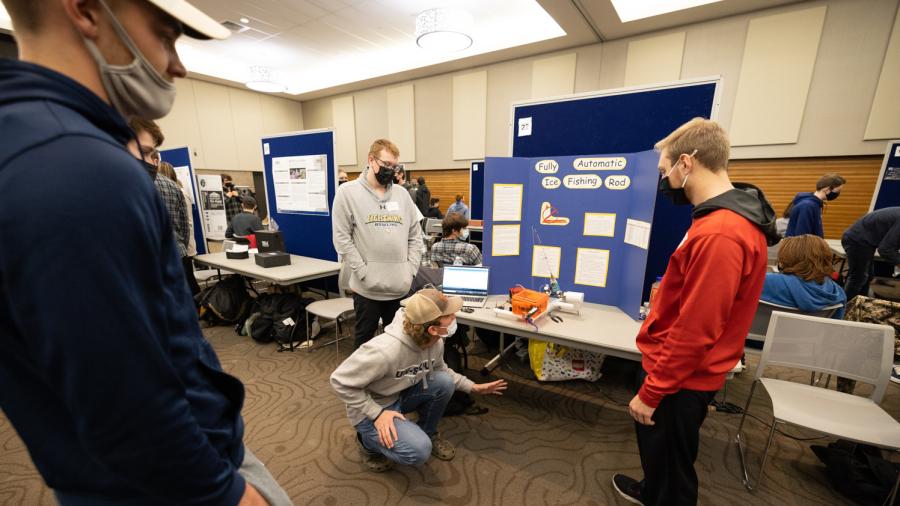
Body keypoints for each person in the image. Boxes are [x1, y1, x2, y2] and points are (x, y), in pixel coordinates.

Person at [0, 0, 288, 504]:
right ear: (86, 11)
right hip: (167, 487)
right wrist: (226, 494)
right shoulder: (76, 169)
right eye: (164, 35)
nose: (177, 65)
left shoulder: (31, 142)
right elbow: (126, 405)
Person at [612, 118, 779, 506]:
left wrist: (651, 391)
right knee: (664, 459)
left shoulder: (721, 232)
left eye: (664, 170)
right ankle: (653, 490)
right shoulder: (722, 219)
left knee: (673, 469)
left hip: (680, 379)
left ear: (685, 164)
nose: (664, 180)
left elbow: (696, 328)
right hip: (683, 371)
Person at [330, 288, 507, 472]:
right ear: (432, 328)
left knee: (444, 382)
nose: (455, 316)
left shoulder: (435, 340)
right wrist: (377, 413)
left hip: (398, 394)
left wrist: (473, 387)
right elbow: (339, 381)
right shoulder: (384, 351)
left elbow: (441, 370)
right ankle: (366, 442)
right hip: (373, 408)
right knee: (419, 452)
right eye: (449, 315)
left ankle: (428, 432)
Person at [332, 138, 423, 348]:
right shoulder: (347, 192)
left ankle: (395, 382)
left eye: (394, 166)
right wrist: (363, 272)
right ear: (371, 160)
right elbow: (342, 238)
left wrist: (410, 270)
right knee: (364, 343)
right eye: (386, 165)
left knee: (399, 344)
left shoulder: (402, 194)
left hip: (399, 287)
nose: (391, 170)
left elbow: (415, 236)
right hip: (367, 290)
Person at [128, 118, 190, 262]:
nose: (150, 163)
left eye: (151, 155)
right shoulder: (174, 186)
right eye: (144, 152)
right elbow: (185, 226)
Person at [761, 235, 846, 318]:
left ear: (786, 258)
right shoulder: (838, 294)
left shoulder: (763, 282)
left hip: (760, 331)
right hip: (812, 332)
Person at [159, 161, 201, 295]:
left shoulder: (178, 191)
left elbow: (186, 223)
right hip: (181, 245)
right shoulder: (176, 189)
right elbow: (185, 224)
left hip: (178, 246)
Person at [842, 207, 900, 300]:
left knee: (868, 276)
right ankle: (843, 309)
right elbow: (885, 249)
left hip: (864, 242)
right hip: (857, 241)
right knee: (859, 277)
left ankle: (861, 305)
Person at [785, 173, 846, 238]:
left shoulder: (816, 204)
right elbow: (802, 237)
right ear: (827, 190)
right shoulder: (807, 206)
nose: (838, 194)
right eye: (838, 191)